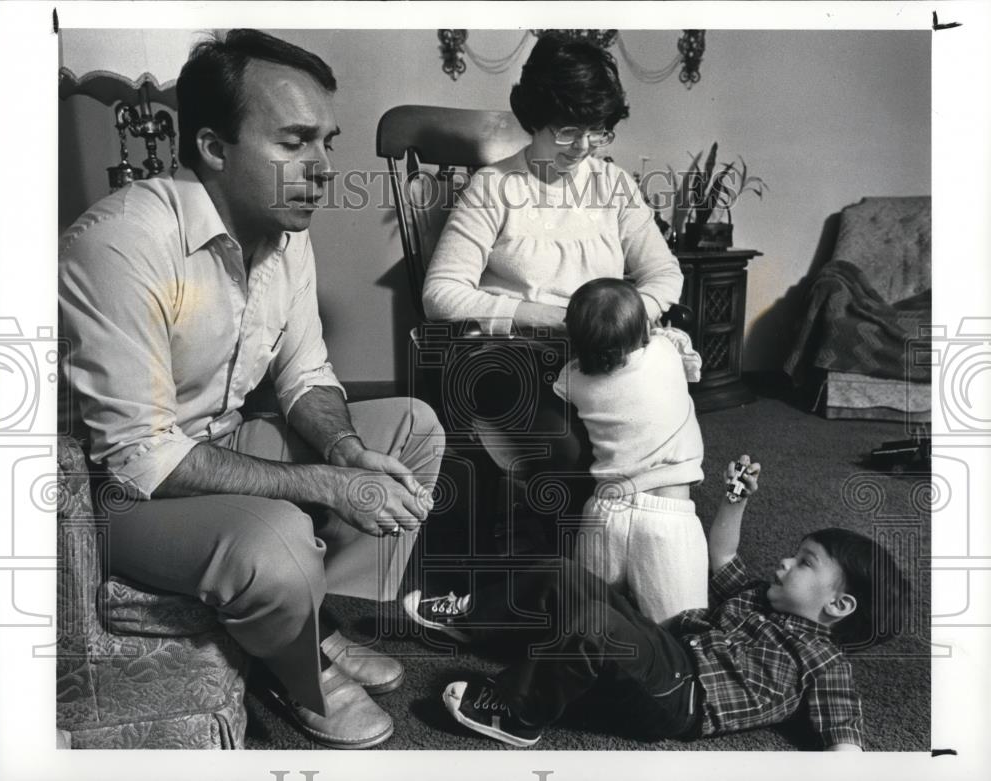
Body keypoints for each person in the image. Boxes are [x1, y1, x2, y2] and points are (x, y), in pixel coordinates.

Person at [58, 29, 445, 749]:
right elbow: (142, 457)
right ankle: (295, 667)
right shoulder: (118, 242)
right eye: (295, 142)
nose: (323, 167)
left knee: (411, 428)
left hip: (214, 442)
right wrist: (325, 483)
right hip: (116, 493)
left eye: (326, 141)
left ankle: (310, 621)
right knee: (282, 541)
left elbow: (305, 376)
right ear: (213, 147)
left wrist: (348, 451)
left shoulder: (286, 234)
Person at [404, 457, 912, 751]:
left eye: (804, 562)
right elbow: (724, 555)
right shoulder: (760, 598)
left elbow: (845, 732)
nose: (782, 563)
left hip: (680, 701)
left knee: (595, 626)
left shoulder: (824, 660)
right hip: (667, 651)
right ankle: (473, 621)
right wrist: (736, 499)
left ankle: (517, 713)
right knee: (563, 573)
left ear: (839, 605)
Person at [421, 34, 683, 540]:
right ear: (535, 118)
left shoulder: (613, 185)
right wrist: (544, 316)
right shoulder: (494, 187)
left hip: (596, 351)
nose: (583, 147)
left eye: (597, 131)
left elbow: (664, 273)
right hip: (513, 351)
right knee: (568, 449)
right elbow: (441, 294)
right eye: (568, 130)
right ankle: (551, 571)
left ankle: (630, 551)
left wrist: (624, 321)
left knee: (653, 427)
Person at [556, 278, 706, 624]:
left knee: (584, 622)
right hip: (668, 517)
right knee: (683, 635)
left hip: (604, 511)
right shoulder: (667, 351)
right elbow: (685, 357)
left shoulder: (572, 379)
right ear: (645, 331)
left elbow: (570, 381)